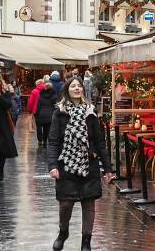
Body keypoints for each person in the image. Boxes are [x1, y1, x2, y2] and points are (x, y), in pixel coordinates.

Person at [47, 77, 113, 251]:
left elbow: (99, 142)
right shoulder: (59, 112)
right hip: (66, 164)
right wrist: (52, 165)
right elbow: (53, 141)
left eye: (79, 86)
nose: (77, 88)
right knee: (65, 204)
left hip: (88, 163)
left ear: (83, 89)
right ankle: (63, 232)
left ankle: (86, 241)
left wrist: (107, 168)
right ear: (67, 90)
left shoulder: (90, 112)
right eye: (73, 86)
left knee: (89, 204)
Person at [36, 83, 58, 148]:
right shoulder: (54, 96)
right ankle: (47, 143)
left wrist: (37, 114)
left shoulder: (40, 95)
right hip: (50, 115)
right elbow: (55, 106)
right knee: (48, 129)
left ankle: (44, 141)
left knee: (43, 129)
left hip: (42, 114)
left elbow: (38, 106)